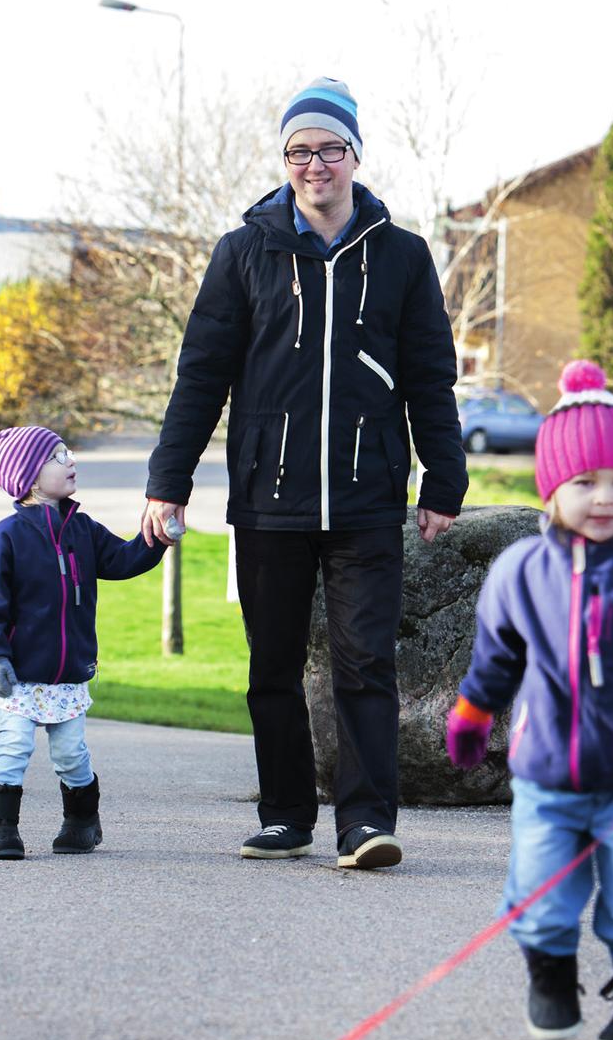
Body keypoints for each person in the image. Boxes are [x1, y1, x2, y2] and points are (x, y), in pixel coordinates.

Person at [142, 77, 467, 870]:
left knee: (365, 664)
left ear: (355, 154)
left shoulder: (401, 256)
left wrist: (444, 479)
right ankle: (287, 814)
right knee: (274, 666)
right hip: (268, 495)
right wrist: (167, 479)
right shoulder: (243, 252)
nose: (314, 164)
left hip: (367, 495)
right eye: (299, 151)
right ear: (285, 161)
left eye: (328, 148)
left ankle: (364, 823)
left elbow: (431, 374)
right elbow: (201, 376)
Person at [446, 360, 613, 1040]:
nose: (604, 498)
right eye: (585, 482)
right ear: (552, 488)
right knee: (538, 891)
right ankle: (551, 980)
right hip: (544, 778)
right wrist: (473, 712)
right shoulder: (520, 572)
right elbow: (496, 657)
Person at [0, 425, 166, 859]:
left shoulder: (83, 530)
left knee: (71, 755)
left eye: (68, 452)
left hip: (69, 673)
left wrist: (157, 538)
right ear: (29, 477)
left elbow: (123, 559)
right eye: (58, 456)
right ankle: (1, 829)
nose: (71, 461)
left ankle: (81, 821)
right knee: (14, 748)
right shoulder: (6, 537)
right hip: (21, 674)